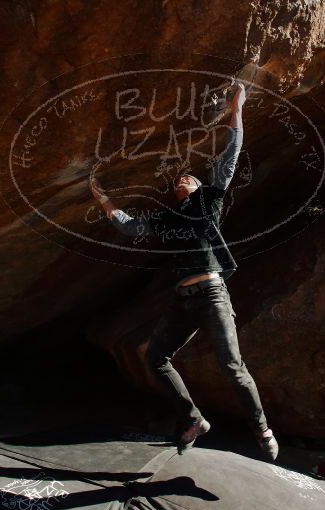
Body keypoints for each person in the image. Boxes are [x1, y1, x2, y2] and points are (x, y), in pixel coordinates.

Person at [89, 82, 278, 461]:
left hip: (211, 292)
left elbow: (231, 154)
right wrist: (103, 198)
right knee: (155, 358)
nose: (182, 179)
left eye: (188, 177)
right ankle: (193, 419)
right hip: (183, 299)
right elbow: (129, 226)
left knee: (231, 366)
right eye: (177, 180)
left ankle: (261, 428)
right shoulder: (166, 217)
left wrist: (236, 108)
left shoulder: (210, 200)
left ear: (198, 185)